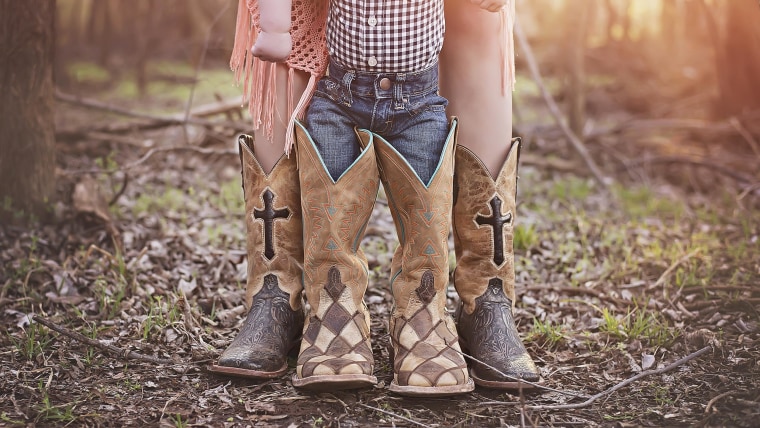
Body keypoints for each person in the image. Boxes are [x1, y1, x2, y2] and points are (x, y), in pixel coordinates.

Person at [210, 0, 540, 393]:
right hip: (343, 84)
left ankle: (483, 297)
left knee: (479, 15)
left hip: (416, 85)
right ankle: (279, 291)